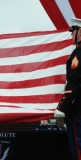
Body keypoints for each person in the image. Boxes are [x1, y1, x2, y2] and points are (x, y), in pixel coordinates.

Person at [54, 17, 81, 160]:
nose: (71, 35)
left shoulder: (78, 54)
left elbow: (74, 84)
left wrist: (61, 107)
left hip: (78, 112)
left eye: (73, 31)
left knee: (78, 149)